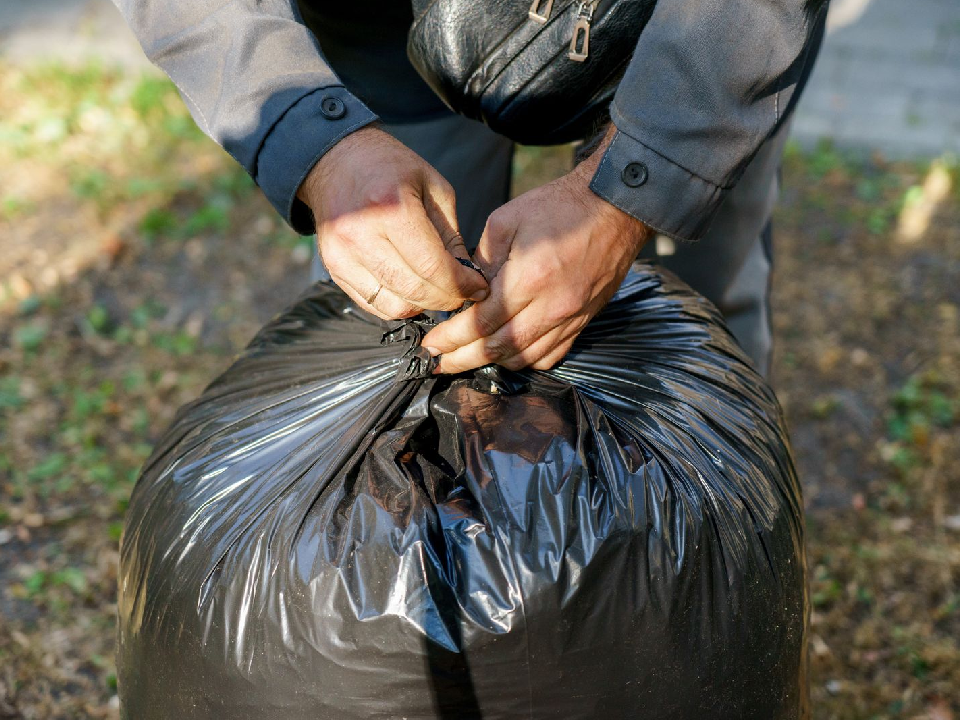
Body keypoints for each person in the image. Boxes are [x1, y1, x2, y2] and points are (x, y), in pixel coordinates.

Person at [113, 0, 826, 377]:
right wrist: (319, 143)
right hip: (385, 35)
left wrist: (636, 187)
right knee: (399, 324)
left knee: (690, 328)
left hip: (681, 29)